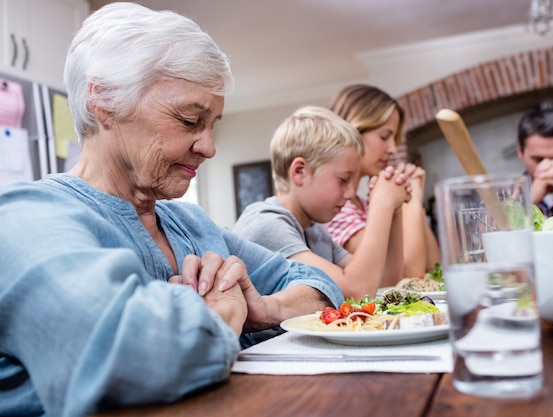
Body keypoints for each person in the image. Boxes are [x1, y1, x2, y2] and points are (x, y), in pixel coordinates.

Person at [0, 3, 343, 416]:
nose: (209, 147)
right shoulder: (25, 218)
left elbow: (317, 282)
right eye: (188, 120)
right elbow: (128, 353)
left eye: (212, 124)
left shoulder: (191, 223)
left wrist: (266, 309)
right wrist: (223, 315)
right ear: (104, 100)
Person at [232, 106, 412, 299]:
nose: (351, 193)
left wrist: (395, 210)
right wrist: (381, 204)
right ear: (300, 171)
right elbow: (356, 293)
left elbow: (385, 284)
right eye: (343, 179)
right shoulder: (266, 224)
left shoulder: (315, 230)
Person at [326, 84, 441, 279]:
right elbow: (408, 276)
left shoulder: (364, 204)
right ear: (353, 132)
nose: (393, 149)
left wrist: (413, 200)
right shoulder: (334, 210)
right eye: (384, 136)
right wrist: (410, 202)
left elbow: (434, 267)